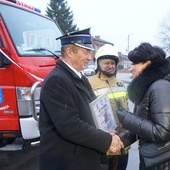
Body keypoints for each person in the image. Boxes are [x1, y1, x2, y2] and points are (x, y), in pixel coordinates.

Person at [39, 28, 124, 170]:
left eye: (90, 52)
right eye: (85, 52)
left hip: (80, 158)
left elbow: (92, 109)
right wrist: (107, 140)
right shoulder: (57, 80)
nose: (90, 58)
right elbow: (70, 126)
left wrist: (106, 131)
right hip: (66, 162)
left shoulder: (78, 76)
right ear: (69, 52)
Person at [116, 42, 170, 170]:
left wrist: (126, 118)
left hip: (162, 163)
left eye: (135, 63)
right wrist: (122, 140)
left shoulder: (159, 86)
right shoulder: (148, 87)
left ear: (148, 64)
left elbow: (162, 132)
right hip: (151, 159)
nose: (131, 68)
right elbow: (143, 126)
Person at [88, 44, 129, 170]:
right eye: (106, 63)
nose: (110, 66)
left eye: (113, 63)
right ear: (98, 64)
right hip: (104, 144)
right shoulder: (89, 83)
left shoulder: (120, 83)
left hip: (122, 141)